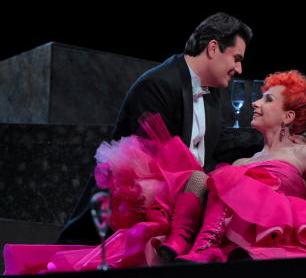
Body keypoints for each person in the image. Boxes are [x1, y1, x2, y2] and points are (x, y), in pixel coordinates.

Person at [3, 70, 306, 274]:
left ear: (289, 115)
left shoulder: (304, 157)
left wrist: (299, 222)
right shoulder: (243, 162)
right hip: (219, 232)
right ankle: (180, 244)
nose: (256, 103)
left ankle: (195, 246)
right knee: (206, 174)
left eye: (268, 99)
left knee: (224, 175)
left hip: (266, 237)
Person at [56, 12, 254, 249]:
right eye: (236, 58)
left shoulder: (214, 91)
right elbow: (151, 167)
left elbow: (213, 145)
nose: (239, 68)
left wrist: (269, 140)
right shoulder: (158, 85)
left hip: (183, 209)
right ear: (213, 48)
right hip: (131, 219)